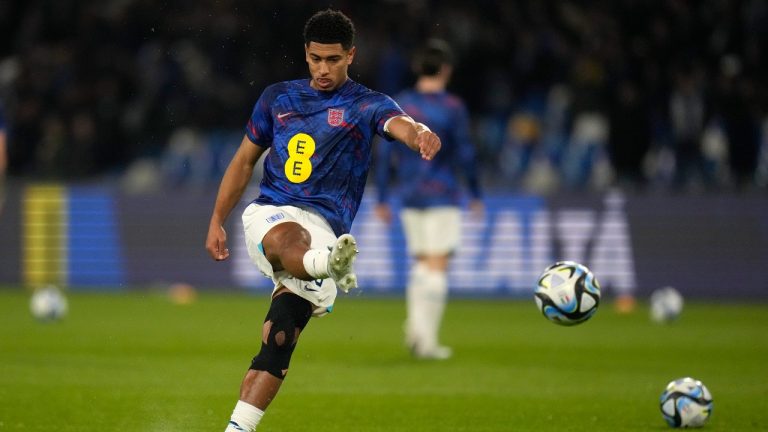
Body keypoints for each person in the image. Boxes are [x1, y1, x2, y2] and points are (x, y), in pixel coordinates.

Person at [205, 9, 441, 432]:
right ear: (306, 54)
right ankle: (326, 265)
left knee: (279, 339)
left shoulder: (366, 104)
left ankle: (237, 428)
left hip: (326, 231)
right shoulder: (278, 98)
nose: (323, 69)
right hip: (273, 213)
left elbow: (399, 123)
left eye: (333, 59)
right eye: (316, 59)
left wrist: (419, 133)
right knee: (288, 238)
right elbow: (243, 161)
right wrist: (216, 219)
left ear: (350, 55)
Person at [375, 39, 482, 360]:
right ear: (446, 70)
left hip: (409, 195)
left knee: (422, 264)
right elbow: (465, 153)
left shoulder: (401, 106)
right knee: (436, 267)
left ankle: (415, 331)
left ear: (417, 68)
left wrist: (382, 196)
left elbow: (384, 154)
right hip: (442, 194)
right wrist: (475, 193)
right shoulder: (452, 108)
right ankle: (426, 341)